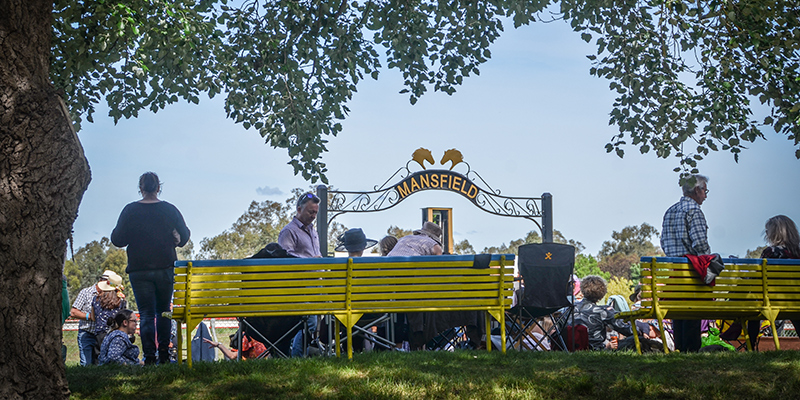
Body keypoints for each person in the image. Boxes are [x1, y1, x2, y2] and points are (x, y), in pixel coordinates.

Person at [111, 172, 190, 365]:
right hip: (165, 267)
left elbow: (117, 239)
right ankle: (164, 354)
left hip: (139, 270)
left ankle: (149, 356)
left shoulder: (130, 211)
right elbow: (185, 236)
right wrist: (173, 237)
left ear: (141, 188)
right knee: (163, 311)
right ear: (158, 187)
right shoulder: (169, 210)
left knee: (146, 313)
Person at [660, 174, 709, 352]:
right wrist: (708, 263)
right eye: (705, 190)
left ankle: (680, 348)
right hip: (691, 272)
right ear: (697, 190)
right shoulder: (694, 211)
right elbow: (700, 244)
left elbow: (664, 242)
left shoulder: (670, 211)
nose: (705, 195)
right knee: (692, 311)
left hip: (674, 273)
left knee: (678, 312)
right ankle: (691, 350)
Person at [278, 192, 322, 357]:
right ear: (298, 209)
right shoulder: (289, 231)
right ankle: (298, 358)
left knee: (312, 324)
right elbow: (283, 258)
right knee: (305, 324)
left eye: (315, 213)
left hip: (315, 284)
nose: (313, 216)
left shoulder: (313, 231)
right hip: (300, 286)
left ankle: (301, 357)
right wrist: (310, 261)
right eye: (310, 212)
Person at [572, 275, 634, 351]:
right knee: (635, 339)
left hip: (569, 347)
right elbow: (629, 330)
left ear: (582, 290)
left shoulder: (570, 309)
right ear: (602, 293)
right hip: (594, 349)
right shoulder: (603, 311)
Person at [70, 270, 117, 366]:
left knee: (101, 363)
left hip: (103, 334)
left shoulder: (111, 295)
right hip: (87, 333)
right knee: (86, 363)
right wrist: (89, 316)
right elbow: (73, 312)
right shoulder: (86, 292)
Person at [90, 272, 127, 359]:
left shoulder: (96, 299)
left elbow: (93, 317)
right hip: (116, 334)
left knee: (99, 358)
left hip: (99, 334)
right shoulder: (121, 302)